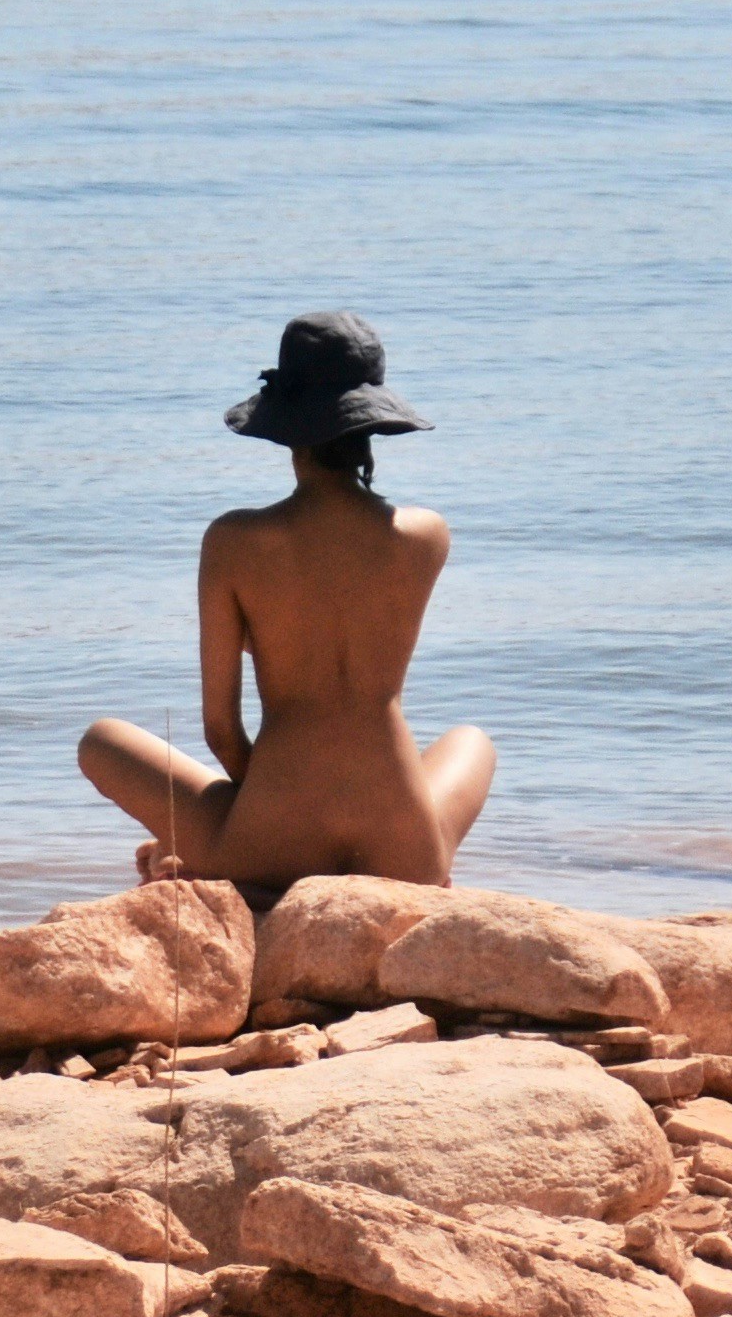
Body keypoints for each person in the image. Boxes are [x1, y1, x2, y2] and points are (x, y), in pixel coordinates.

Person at [77, 311, 495, 904]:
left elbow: (222, 730)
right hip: (405, 849)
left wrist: (269, 798)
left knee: (102, 740)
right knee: (472, 741)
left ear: (284, 425)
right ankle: (406, 866)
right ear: (372, 419)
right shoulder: (426, 535)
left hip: (269, 848)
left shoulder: (233, 541)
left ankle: (209, 866)